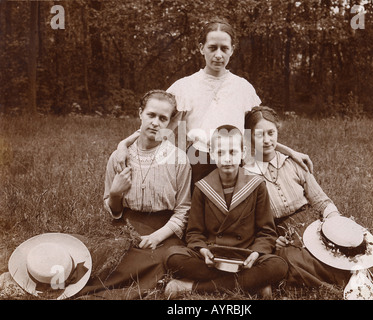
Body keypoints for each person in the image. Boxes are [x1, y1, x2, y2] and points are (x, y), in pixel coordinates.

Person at [115, 19, 313, 186]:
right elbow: (157, 127)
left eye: (224, 48)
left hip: (235, 162)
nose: (218, 54)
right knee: (198, 221)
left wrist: (290, 151)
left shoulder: (243, 88)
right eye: (212, 48)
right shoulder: (183, 87)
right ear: (201, 48)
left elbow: (259, 133)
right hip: (197, 163)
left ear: (232, 51)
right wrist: (123, 145)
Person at [243, 106, 373, 291]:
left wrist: (335, 221)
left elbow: (320, 200)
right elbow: (253, 221)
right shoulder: (246, 174)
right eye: (259, 134)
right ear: (250, 137)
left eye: (271, 132)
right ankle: (346, 282)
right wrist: (273, 239)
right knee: (292, 261)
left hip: (312, 224)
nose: (267, 140)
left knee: (346, 247)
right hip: (281, 233)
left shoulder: (293, 163)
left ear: (277, 131)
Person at [78, 90, 192, 299]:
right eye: (151, 115)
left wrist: (157, 236)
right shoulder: (119, 157)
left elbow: (184, 209)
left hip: (164, 232)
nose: (156, 123)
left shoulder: (179, 159)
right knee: (103, 257)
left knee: (158, 260)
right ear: (140, 113)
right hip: (127, 228)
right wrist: (114, 194)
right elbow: (114, 212)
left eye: (163, 118)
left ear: (168, 122)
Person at [163, 125, 288, 299]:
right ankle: (253, 285)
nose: (227, 159)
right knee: (172, 256)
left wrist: (256, 253)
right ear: (212, 153)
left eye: (232, 152)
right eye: (220, 153)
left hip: (245, 256)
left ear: (243, 153)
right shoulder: (202, 187)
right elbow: (194, 232)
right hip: (212, 257)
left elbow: (266, 231)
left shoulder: (257, 185)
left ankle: (190, 287)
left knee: (278, 265)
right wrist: (202, 250)